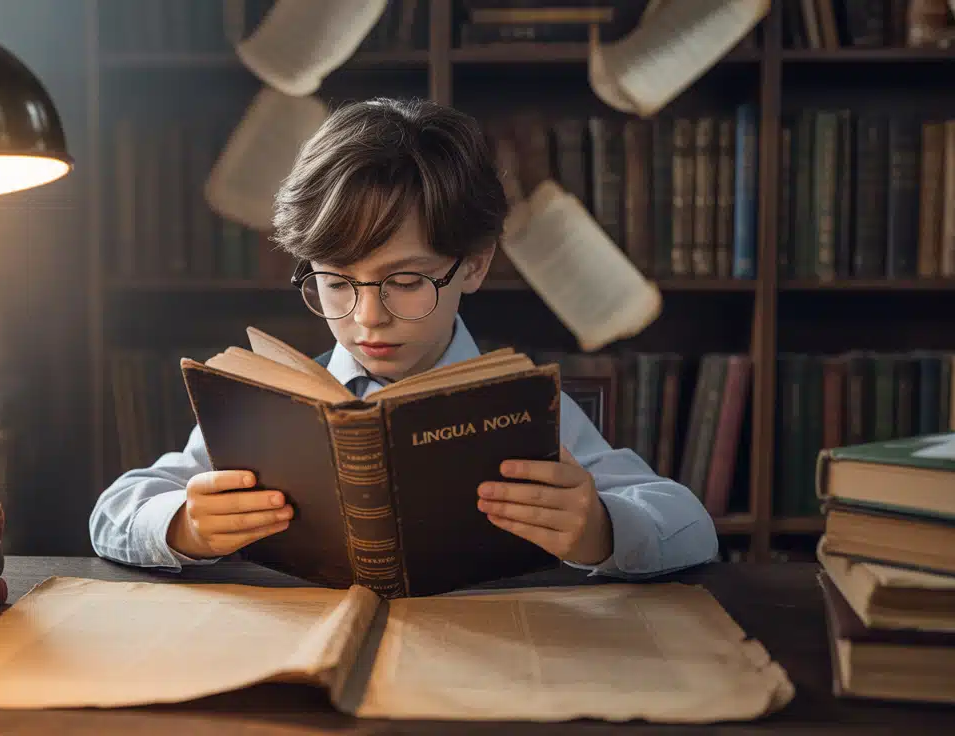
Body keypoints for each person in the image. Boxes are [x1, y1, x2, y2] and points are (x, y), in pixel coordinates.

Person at [89, 98, 717, 578]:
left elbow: (692, 525)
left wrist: (602, 529)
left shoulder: (520, 406)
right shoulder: (272, 401)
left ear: (472, 264)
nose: (367, 318)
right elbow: (114, 510)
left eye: (406, 280)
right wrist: (182, 526)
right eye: (337, 282)